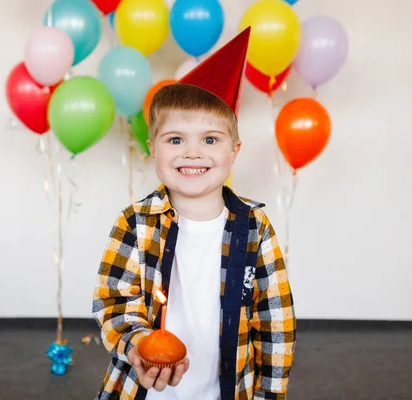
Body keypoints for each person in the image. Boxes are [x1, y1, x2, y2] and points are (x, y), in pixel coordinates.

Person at [92, 27, 296, 400]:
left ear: (233, 151)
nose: (192, 152)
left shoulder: (255, 227)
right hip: (143, 390)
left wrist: (270, 395)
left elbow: (275, 323)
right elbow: (114, 303)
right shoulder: (134, 223)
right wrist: (140, 346)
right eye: (175, 140)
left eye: (210, 139)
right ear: (153, 149)